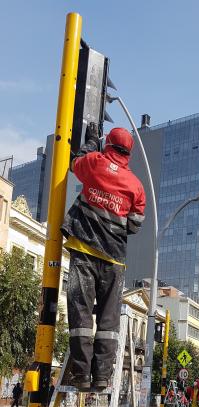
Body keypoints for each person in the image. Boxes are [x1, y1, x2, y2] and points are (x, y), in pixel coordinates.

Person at [61, 124, 146, 392]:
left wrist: (90, 142)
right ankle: (101, 377)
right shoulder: (136, 186)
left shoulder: (95, 162)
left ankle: (81, 375)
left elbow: (75, 164)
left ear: (107, 144)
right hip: (113, 260)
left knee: (81, 315)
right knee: (108, 321)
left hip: (84, 250)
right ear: (129, 153)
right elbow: (134, 225)